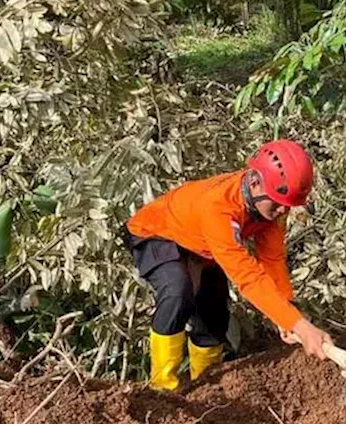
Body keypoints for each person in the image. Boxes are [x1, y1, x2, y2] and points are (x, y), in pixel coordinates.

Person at [124, 139, 333, 391]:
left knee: (214, 313)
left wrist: (287, 314)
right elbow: (247, 277)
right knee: (178, 292)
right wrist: (301, 325)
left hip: (203, 245)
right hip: (158, 234)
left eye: (286, 205)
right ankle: (162, 389)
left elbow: (271, 259)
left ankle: (205, 387)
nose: (281, 211)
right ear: (255, 182)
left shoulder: (274, 203)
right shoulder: (218, 207)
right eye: (277, 203)